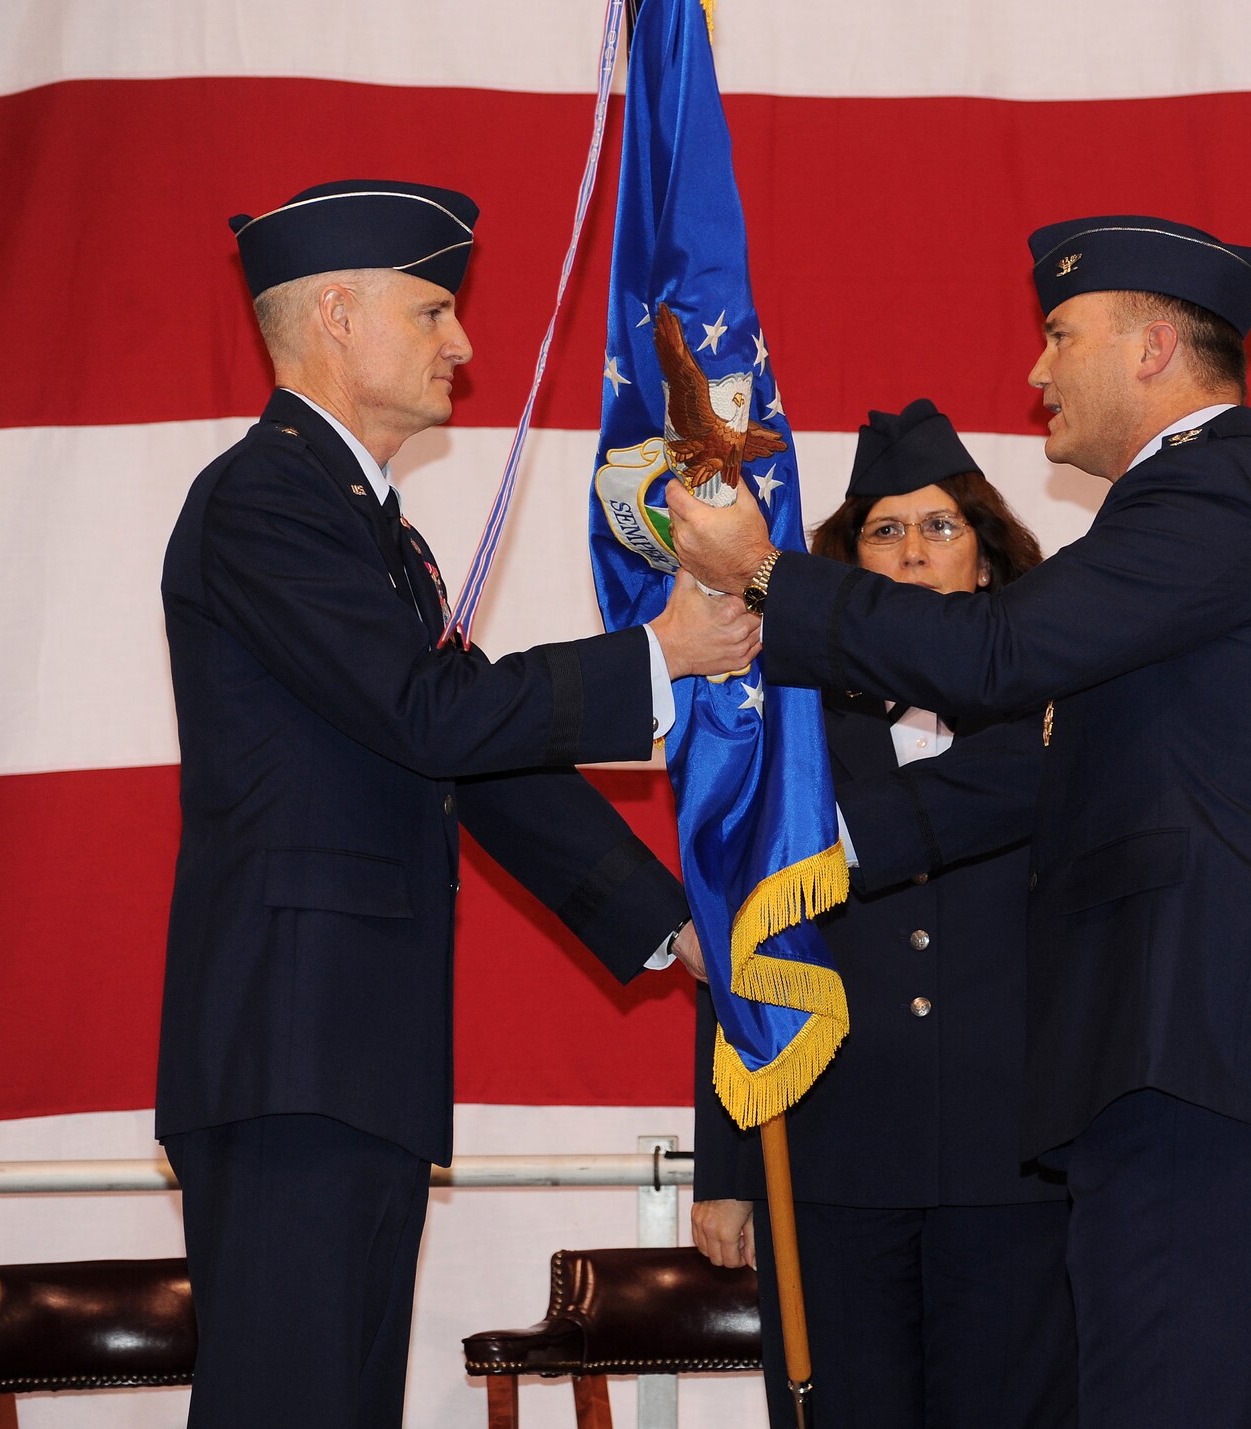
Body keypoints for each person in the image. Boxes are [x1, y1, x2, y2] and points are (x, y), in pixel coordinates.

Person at [667, 216, 1251, 1427]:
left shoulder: (1206, 495)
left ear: (1152, 350)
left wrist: (764, 574)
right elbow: (1028, 762)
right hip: (1236, 1054)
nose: (1034, 373)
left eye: (1059, 336)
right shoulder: (1203, 508)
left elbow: (996, 652)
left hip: (1193, 1051)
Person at [156, 178, 759, 1428]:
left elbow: (472, 766)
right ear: (334, 313)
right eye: (433, 311)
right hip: (289, 1054)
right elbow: (432, 717)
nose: (464, 344)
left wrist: (671, 924)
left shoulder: (372, 532)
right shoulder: (267, 500)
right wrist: (662, 653)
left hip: (346, 1056)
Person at [690, 400, 1074, 1427]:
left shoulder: (1056, 712)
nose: (913, 552)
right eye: (884, 530)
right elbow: (737, 937)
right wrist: (726, 1168)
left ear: (985, 560)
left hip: (1016, 1162)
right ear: (847, 562)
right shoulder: (788, 722)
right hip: (830, 1156)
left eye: (940, 526)